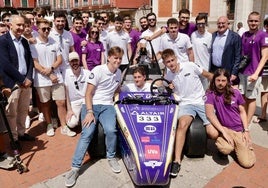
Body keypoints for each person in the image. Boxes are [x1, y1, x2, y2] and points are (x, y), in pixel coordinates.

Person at [65, 47, 124, 187]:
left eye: (120, 58)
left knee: (111, 130)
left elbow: (116, 89)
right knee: (87, 133)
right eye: (115, 57)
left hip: (108, 106)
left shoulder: (119, 72)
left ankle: (111, 157)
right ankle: (75, 168)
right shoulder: (98, 70)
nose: (118, 61)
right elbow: (88, 94)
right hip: (92, 105)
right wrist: (90, 112)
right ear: (108, 58)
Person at [161, 48, 218, 177]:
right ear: (164, 64)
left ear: (176, 58)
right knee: (182, 126)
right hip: (185, 104)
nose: (171, 63)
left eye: (172, 60)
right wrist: (168, 88)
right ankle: (176, 161)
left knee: (213, 134)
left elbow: (210, 76)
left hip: (200, 101)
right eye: (167, 62)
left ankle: (221, 145)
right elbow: (163, 86)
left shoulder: (190, 65)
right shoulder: (168, 76)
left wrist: (211, 92)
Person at [30, 18, 76, 137]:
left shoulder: (54, 42)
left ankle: (64, 127)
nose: (46, 30)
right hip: (42, 80)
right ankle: (49, 125)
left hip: (57, 77)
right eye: (43, 29)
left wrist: (51, 69)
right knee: (45, 104)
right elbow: (35, 63)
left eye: (48, 28)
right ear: (38, 29)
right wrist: (50, 74)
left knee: (61, 102)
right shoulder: (33, 45)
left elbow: (60, 59)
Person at [205, 68, 256, 168]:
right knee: (225, 148)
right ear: (214, 80)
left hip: (238, 131)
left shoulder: (235, 93)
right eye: (218, 80)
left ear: (228, 81)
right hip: (224, 129)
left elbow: (242, 112)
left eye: (223, 80)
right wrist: (223, 132)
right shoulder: (210, 94)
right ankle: (227, 150)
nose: (220, 83)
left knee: (247, 163)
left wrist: (246, 131)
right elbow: (210, 114)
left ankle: (243, 146)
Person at [0, 15, 35, 150]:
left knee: (23, 110)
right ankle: (13, 138)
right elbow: (5, 64)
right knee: (12, 113)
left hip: (26, 83)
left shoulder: (25, 42)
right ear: (10, 25)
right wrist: (21, 79)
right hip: (12, 83)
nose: (21, 28)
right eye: (18, 25)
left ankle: (21, 133)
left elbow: (30, 61)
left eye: (23, 25)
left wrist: (29, 78)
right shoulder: (3, 41)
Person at [238, 11, 268, 125]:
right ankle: (243, 120)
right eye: (251, 21)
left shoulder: (263, 35)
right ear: (247, 21)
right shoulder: (244, 35)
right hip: (243, 72)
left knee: (251, 98)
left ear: (259, 22)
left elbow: (265, 57)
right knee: (243, 98)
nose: (253, 23)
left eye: (255, 21)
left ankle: (247, 124)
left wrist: (256, 73)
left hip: (253, 73)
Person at [210, 16, 241, 85]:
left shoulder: (235, 37)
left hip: (228, 71)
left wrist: (234, 72)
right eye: (219, 23)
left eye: (223, 23)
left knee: (227, 92)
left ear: (228, 24)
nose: (221, 25)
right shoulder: (213, 35)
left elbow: (238, 56)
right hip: (215, 70)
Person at [65, 52, 91, 128]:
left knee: (88, 123)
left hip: (85, 100)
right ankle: (78, 119)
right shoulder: (65, 74)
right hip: (74, 102)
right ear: (69, 62)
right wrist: (69, 110)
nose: (74, 63)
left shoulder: (87, 73)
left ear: (79, 61)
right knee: (71, 124)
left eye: (76, 60)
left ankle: (81, 118)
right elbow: (66, 93)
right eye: (72, 61)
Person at [253, 17, 268, 123]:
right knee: (264, 91)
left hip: (264, 68)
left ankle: (263, 115)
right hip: (265, 69)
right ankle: (263, 115)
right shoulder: (264, 36)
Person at [191, 14, 212, 90]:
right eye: (198, 24)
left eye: (202, 24)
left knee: (205, 92)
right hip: (195, 70)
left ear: (206, 24)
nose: (200, 26)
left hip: (205, 70)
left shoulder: (210, 36)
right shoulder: (193, 35)